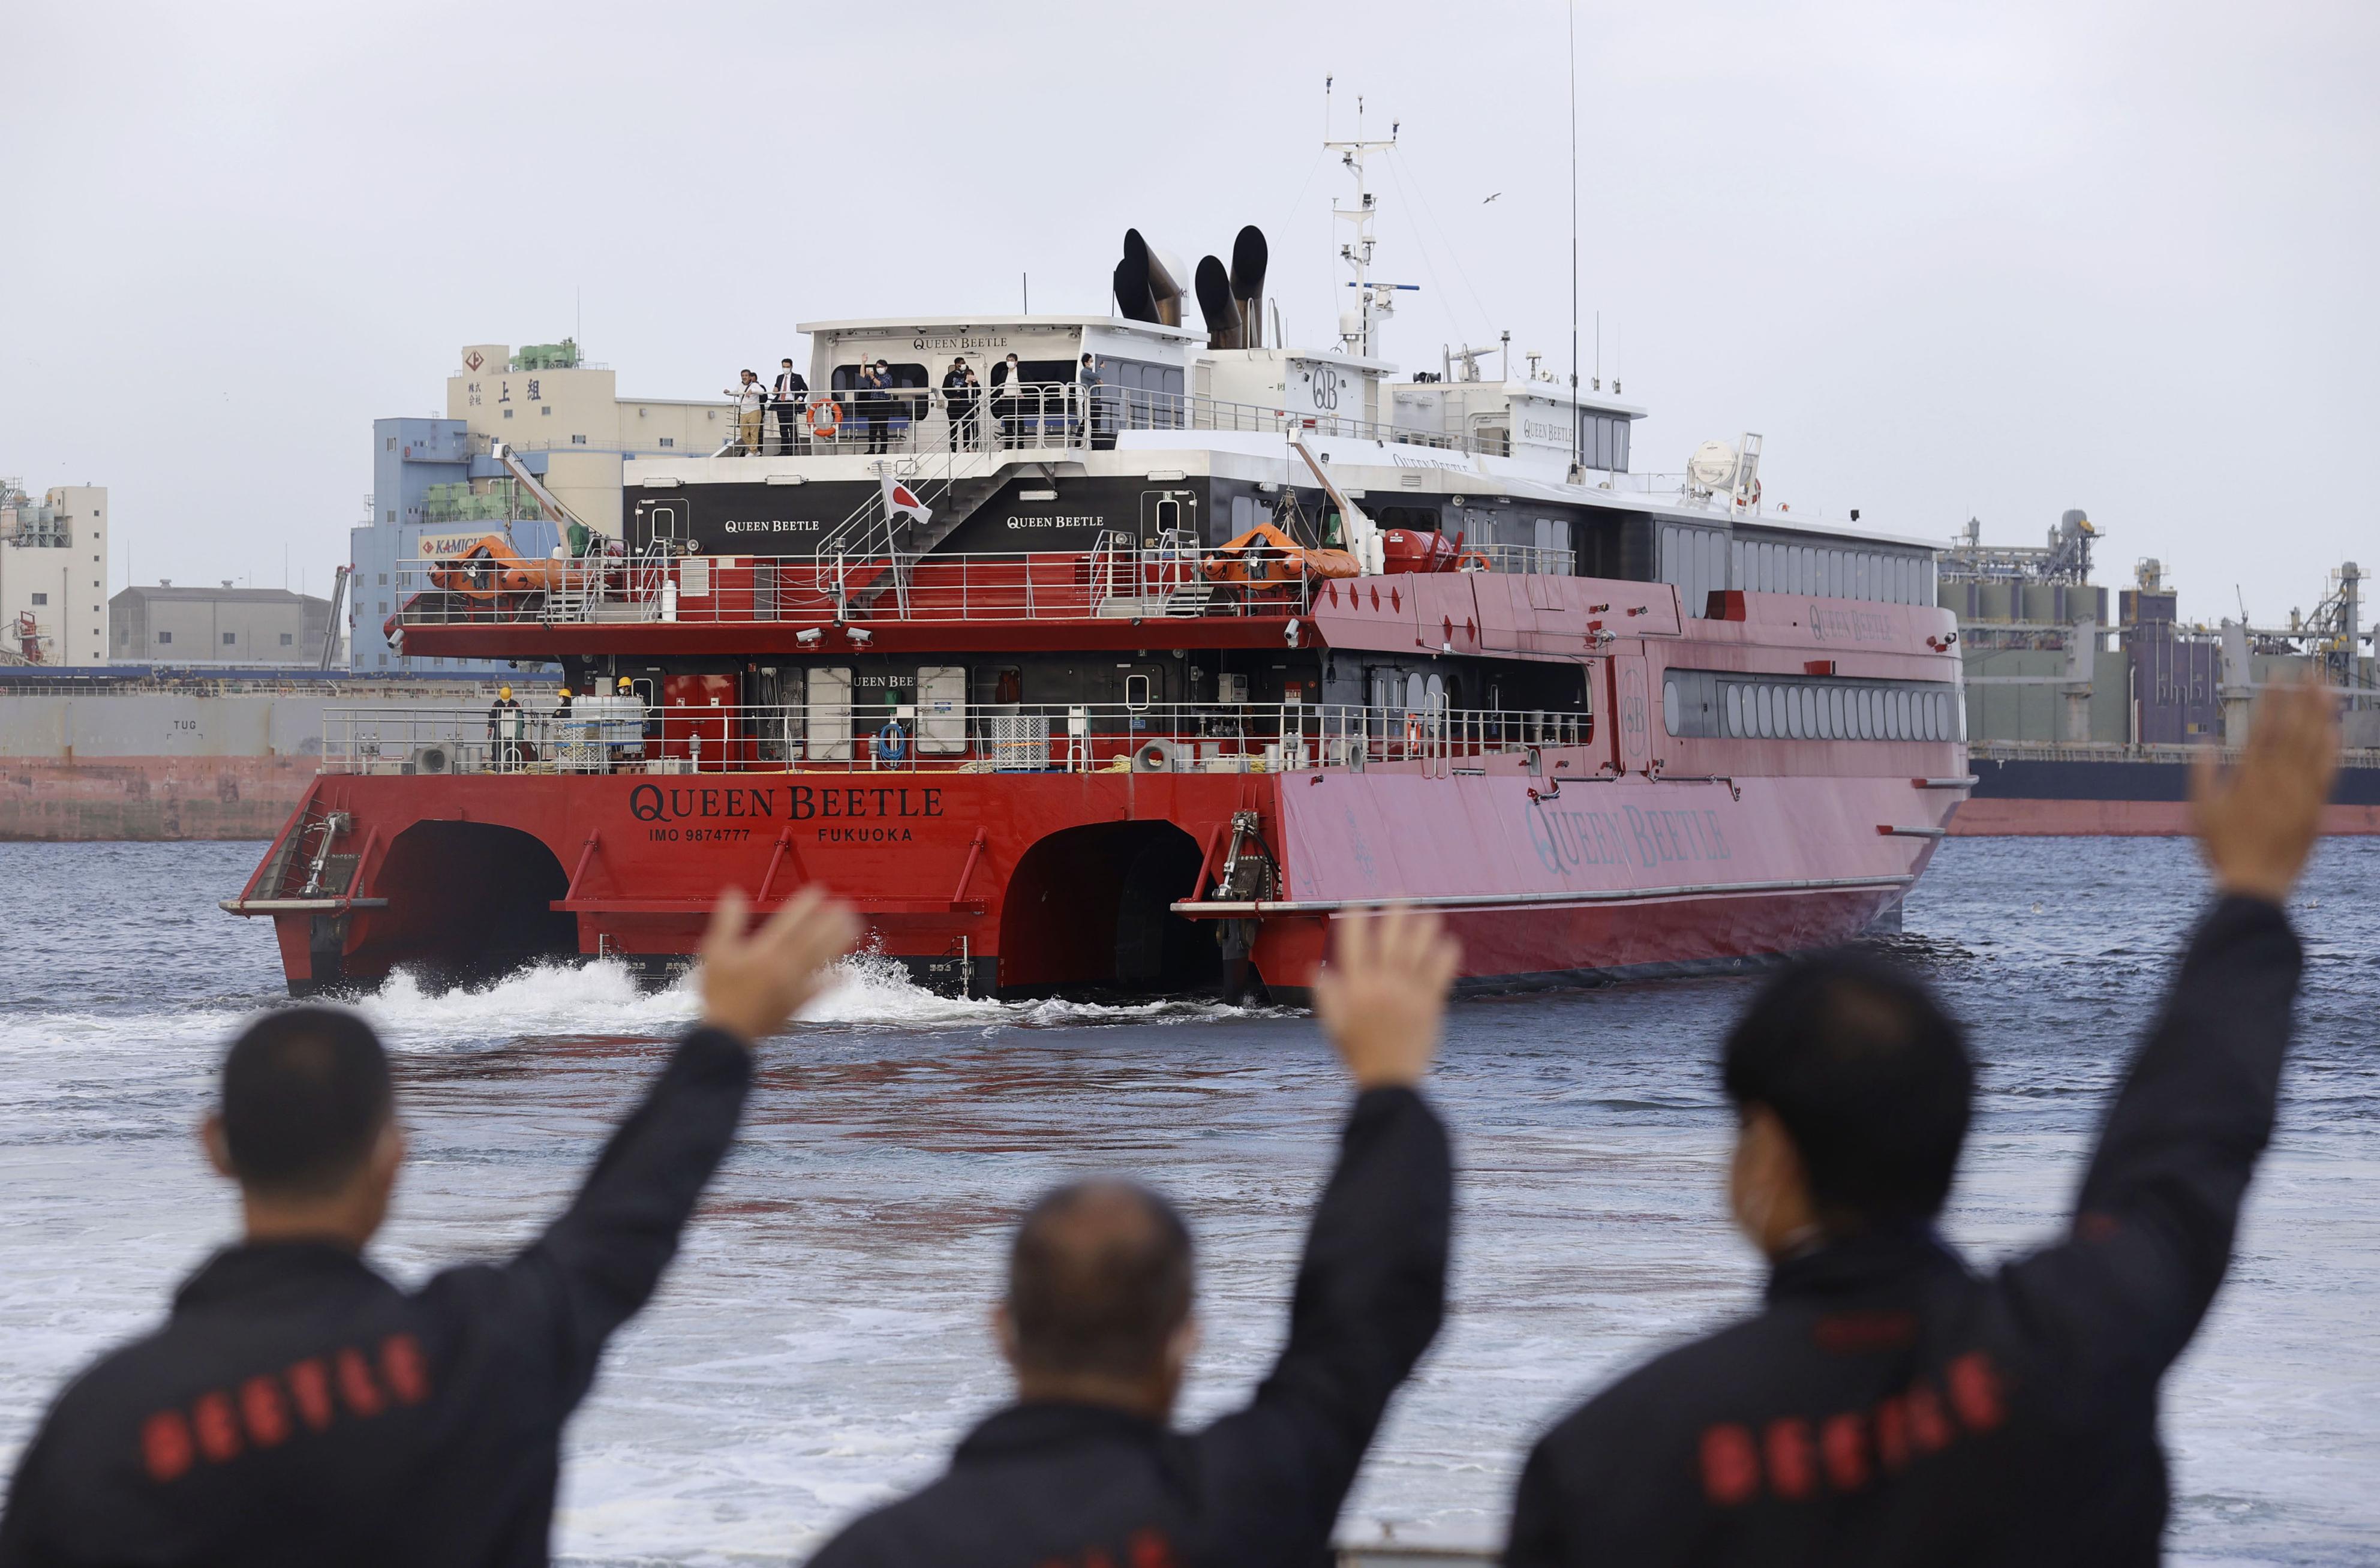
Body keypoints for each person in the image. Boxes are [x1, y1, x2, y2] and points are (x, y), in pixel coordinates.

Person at [1502, 678, 2340, 1568]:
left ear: (1771, 1159)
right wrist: (2250, 897)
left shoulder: (1606, 1457)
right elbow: (2179, 1165)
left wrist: (1394, 1090)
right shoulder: (2072, 1351)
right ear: (1949, 1136)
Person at [0, 888, 863, 1568]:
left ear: (217, 1148)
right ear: (391, 1157)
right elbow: (622, 1224)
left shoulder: (101, 1422)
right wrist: (725, 1035)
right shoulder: (478, 1349)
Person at [806, 905, 1459, 1568]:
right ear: (1184, 1336)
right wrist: (1388, 1089)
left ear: (1003, 1331)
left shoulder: (878, 1551)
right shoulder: (1244, 1501)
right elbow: (1360, 1323)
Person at [724, 368, 768, 455]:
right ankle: (756, 452)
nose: (744, 378)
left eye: (746, 376)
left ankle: (752, 451)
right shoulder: (740, 385)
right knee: (744, 434)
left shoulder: (755, 385)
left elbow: (763, 392)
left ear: (750, 377)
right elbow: (736, 393)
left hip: (754, 411)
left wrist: (753, 391)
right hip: (743, 412)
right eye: (743, 376)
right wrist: (728, 393)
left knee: (754, 432)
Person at [773, 358, 810, 455]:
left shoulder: (797, 377)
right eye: (784, 367)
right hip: (781, 403)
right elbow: (776, 389)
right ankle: (784, 450)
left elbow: (805, 389)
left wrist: (800, 400)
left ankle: (792, 449)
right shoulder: (779, 377)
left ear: (791, 367)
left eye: (787, 367)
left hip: (791, 404)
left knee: (792, 428)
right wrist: (775, 390)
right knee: (783, 428)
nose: (786, 369)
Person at [942, 356, 981, 450]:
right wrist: (952, 398)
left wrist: (973, 381)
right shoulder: (950, 376)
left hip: (966, 406)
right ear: (957, 364)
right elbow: (945, 390)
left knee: (967, 428)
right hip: (954, 406)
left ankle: (967, 448)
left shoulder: (967, 376)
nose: (963, 365)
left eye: (964, 363)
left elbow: (976, 391)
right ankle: (953, 449)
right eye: (961, 363)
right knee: (954, 428)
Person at [990, 352, 1024, 449]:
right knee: (1008, 425)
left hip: (1017, 401)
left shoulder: (1022, 373)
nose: (1010, 362)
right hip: (1006, 401)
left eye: (1012, 360)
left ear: (1016, 362)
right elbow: (999, 385)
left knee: (1019, 425)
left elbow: (1030, 384)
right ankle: (1009, 446)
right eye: (1008, 360)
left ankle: (1021, 446)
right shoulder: (1004, 373)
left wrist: (1025, 394)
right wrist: (1000, 394)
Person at [486, 683, 524, 771]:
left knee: (512, 747)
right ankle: (496, 766)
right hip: (499, 728)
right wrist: (490, 729)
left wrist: (521, 729)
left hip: (512, 729)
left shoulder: (515, 705)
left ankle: (513, 766)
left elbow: (520, 717)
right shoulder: (497, 704)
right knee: (496, 747)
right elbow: (492, 717)